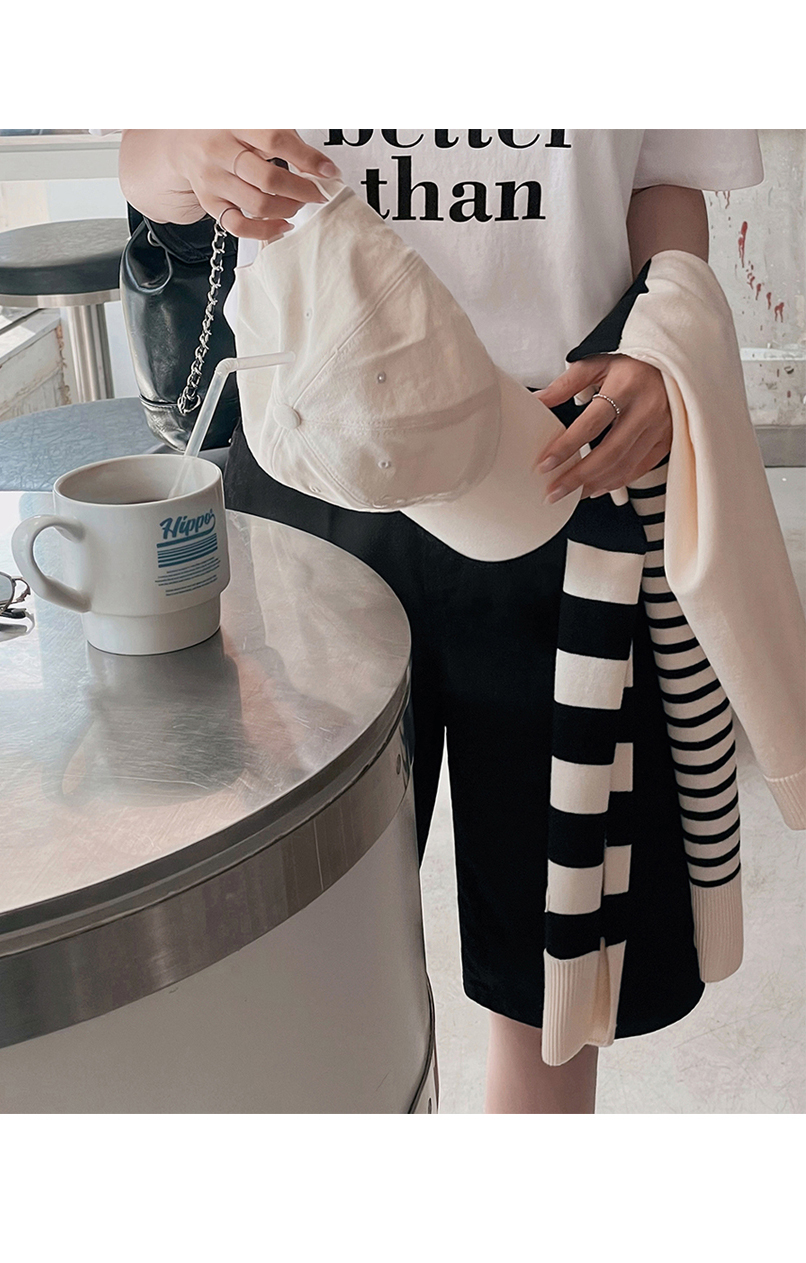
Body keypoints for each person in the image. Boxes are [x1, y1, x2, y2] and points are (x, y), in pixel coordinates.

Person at [118, 128, 764, 1113]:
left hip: (559, 452)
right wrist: (192, 156)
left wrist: (659, 336)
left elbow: (664, 183)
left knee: (553, 970)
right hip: (313, 463)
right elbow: (147, 165)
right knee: (295, 960)